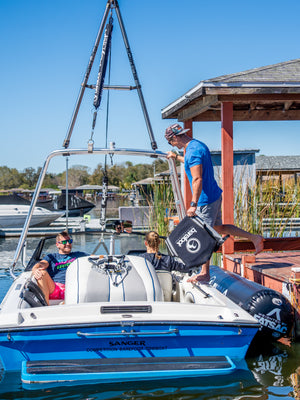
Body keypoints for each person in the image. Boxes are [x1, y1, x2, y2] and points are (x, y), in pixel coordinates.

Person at [165, 123, 264, 283]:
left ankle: (205, 273)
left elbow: (197, 178)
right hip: (214, 195)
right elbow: (192, 163)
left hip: (205, 200)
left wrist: (193, 204)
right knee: (219, 228)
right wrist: (176, 157)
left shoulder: (192, 151)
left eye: (171, 143)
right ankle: (254, 238)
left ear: (174, 138)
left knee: (204, 235)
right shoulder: (197, 145)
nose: (173, 145)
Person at [32, 231, 88, 304]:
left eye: (70, 241)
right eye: (64, 242)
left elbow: (95, 258)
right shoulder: (52, 257)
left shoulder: (78, 254)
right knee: (42, 273)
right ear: (57, 245)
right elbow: (42, 264)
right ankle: (46, 307)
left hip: (73, 288)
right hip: (55, 288)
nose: (68, 244)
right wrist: (34, 269)